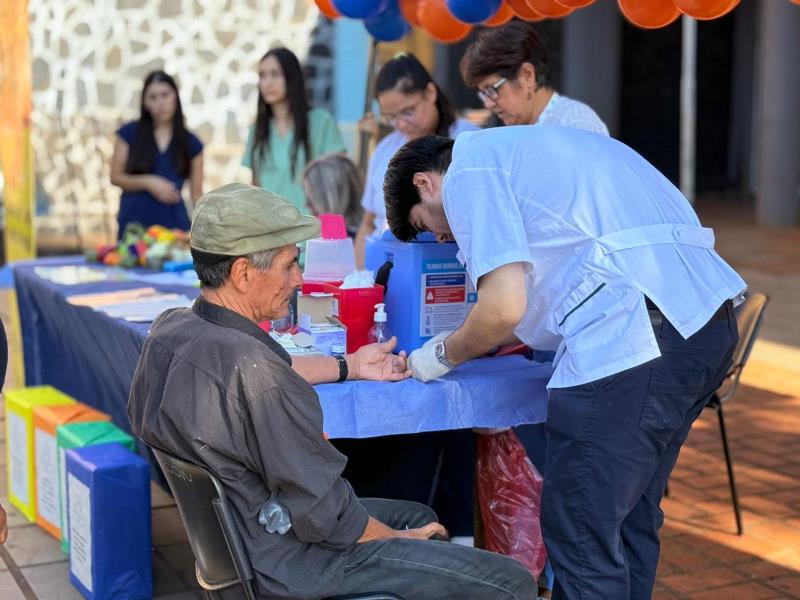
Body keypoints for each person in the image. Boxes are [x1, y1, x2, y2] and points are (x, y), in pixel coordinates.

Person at [383, 128, 746, 600]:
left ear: (424, 183)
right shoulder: (533, 149)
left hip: (634, 337)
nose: (447, 237)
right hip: (703, 324)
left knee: (581, 529)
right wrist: (477, 337)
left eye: (433, 226)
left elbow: (503, 308)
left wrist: (437, 356)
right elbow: (533, 301)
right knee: (627, 518)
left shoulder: (471, 169)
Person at [128, 183, 537, 600]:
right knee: (511, 582)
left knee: (417, 512)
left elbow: (269, 369)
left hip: (239, 544)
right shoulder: (263, 381)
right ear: (243, 272)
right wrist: (399, 538)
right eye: (290, 265)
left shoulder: (172, 331)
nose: (299, 279)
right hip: (291, 566)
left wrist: (352, 365)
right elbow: (329, 516)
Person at [354, 53, 477, 268]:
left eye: (407, 112)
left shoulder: (469, 141)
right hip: (387, 267)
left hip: (449, 271)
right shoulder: (385, 149)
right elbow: (368, 222)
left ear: (430, 92)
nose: (400, 124)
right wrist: (359, 277)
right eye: (390, 117)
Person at [243, 47, 345, 214]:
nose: (267, 83)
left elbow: (338, 181)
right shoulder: (257, 130)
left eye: (275, 74)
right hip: (272, 233)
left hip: (313, 232)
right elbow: (255, 188)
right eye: (262, 75)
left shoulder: (321, 122)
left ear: (292, 77)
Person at [461, 20, 607, 134]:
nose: (488, 104)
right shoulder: (521, 128)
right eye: (483, 94)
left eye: (491, 89)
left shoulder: (573, 122)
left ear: (527, 75)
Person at [110, 70, 203, 239]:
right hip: (134, 229)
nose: (160, 102)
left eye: (165, 95)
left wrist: (206, 229)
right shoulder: (128, 134)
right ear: (145, 102)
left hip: (174, 229)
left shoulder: (192, 142)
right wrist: (149, 182)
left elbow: (196, 194)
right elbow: (115, 177)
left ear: (176, 97)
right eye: (153, 97)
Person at [302, 153, 363, 237]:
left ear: (332, 198)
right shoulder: (363, 235)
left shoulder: (352, 243)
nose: (307, 205)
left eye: (312, 199)